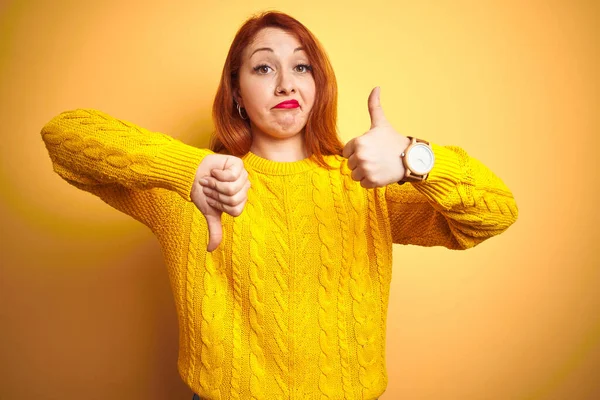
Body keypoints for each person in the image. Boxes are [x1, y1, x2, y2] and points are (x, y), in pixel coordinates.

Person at [40, 10, 518, 400]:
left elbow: (495, 212)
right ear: (237, 94)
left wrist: (414, 158)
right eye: (264, 67)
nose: (286, 83)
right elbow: (64, 137)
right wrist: (187, 169)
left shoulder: (363, 185)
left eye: (302, 66)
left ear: (318, 85)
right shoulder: (192, 189)